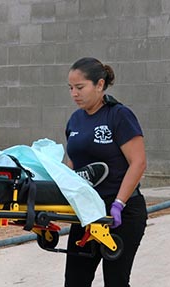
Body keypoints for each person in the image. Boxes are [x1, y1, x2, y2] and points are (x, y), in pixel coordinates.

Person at [64, 57, 147, 286]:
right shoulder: (75, 120)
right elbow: (72, 164)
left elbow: (138, 162)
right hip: (86, 212)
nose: (74, 94)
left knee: (115, 281)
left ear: (99, 85)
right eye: (71, 88)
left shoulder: (119, 115)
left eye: (80, 87)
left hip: (121, 213)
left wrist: (119, 203)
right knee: (75, 281)